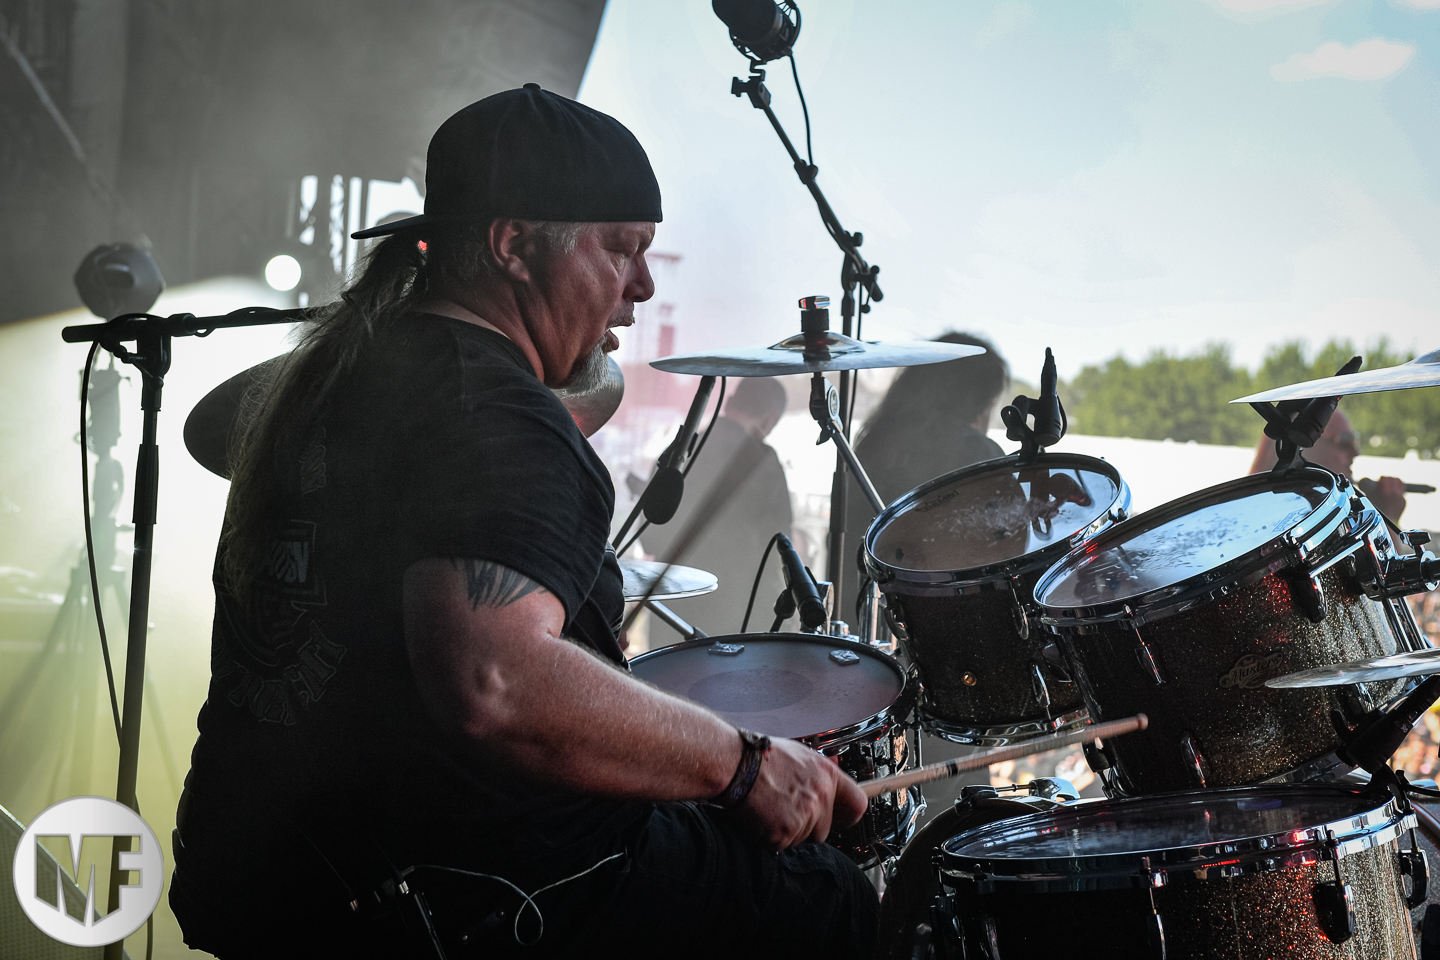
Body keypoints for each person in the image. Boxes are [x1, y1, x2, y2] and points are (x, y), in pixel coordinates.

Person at [169, 86, 873, 959]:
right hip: (461, 897)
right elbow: (495, 680)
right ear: (512, 245)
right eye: (620, 249)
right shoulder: (495, 411)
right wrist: (742, 765)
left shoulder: (334, 383)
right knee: (829, 898)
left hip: (263, 866)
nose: (643, 286)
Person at [840, 332, 1010, 608]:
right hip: (938, 615)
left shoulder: (874, 441)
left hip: (856, 606)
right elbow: (1004, 547)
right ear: (980, 399)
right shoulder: (977, 452)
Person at [637, 377, 793, 637]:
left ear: (729, 402)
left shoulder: (676, 453)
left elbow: (649, 537)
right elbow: (779, 546)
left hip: (671, 615)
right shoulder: (765, 463)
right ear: (769, 420)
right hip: (736, 617)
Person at [1248, 408, 1407, 521]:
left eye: (1354, 441)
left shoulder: (1255, 506)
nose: (1355, 452)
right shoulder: (1299, 517)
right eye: (1344, 441)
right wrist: (1387, 515)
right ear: (1301, 445)